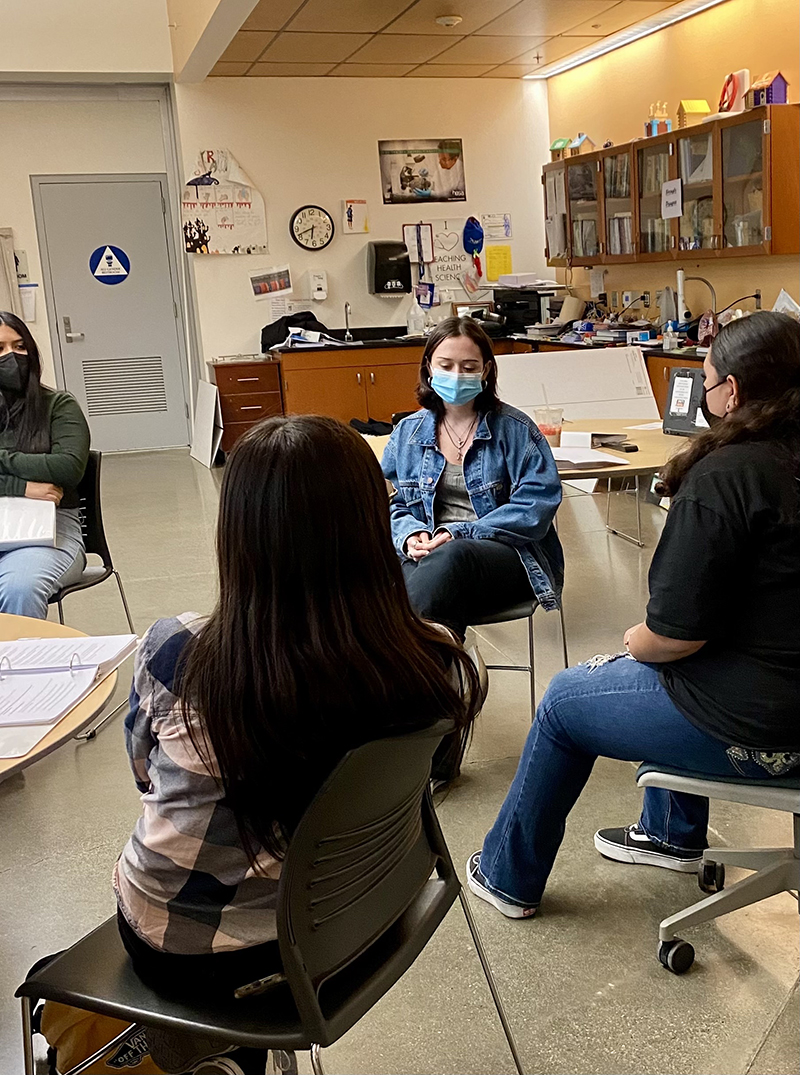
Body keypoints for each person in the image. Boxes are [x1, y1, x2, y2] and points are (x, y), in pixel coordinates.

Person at [114, 415, 481, 1059]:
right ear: (371, 525)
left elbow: (144, 775)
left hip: (201, 956)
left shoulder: (181, 652)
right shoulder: (436, 657)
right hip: (361, 921)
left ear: (238, 534)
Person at [467, 311, 800, 919]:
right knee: (678, 668)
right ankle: (670, 833)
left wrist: (633, 642)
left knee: (570, 699)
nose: (703, 394)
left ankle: (506, 875)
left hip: (768, 729)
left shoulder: (726, 478)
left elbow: (673, 636)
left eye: (708, 380)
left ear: (735, 392)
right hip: (780, 691)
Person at [381, 315, 563, 639]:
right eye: (446, 365)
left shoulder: (516, 430)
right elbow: (388, 504)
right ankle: (437, 673)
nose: (456, 375)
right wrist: (409, 536)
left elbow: (536, 508)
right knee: (403, 574)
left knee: (451, 556)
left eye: (468, 367)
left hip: (506, 559)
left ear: (486, 370)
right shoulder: (406, 433)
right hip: (429, 560)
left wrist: (460, 532)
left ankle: (404, 663)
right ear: (428, 367)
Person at [0, 312, 89, 619]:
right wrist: (21, 486)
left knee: (19, 587)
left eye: (20, 346)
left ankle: (17, 667)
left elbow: (67, 468)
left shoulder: (59, 405)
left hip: (49, 530)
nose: (11, 356)